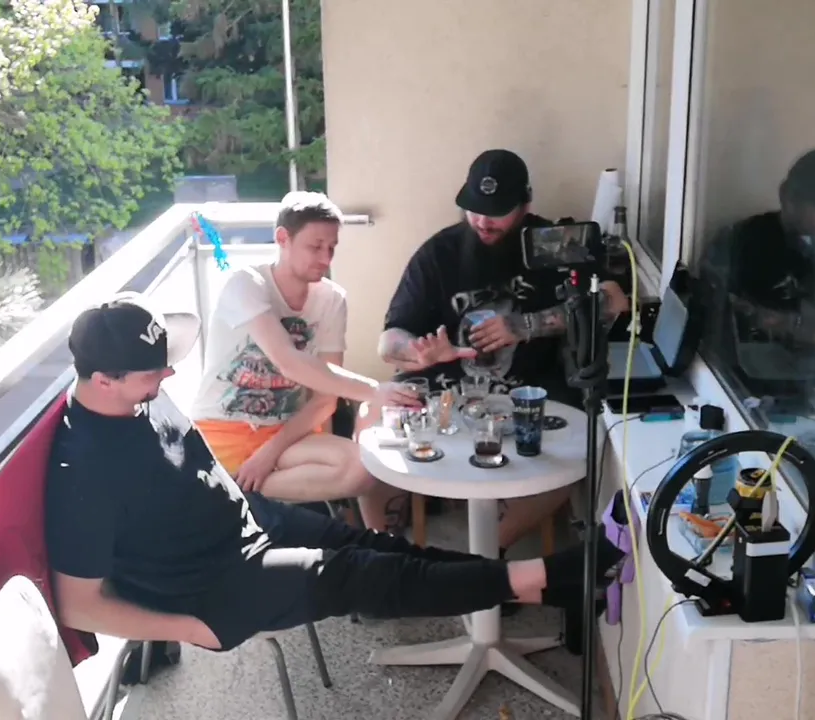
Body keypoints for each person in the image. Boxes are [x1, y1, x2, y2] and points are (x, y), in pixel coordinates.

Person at [43, 293, 623, 652]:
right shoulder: (82, 471)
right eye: (153, 374)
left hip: (246, 524)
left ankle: (552, 582)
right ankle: (556, 575)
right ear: (104, 381)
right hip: (214, 584)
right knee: (360, 576)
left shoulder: (136, 394)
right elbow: (78, 605)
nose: (168, 378)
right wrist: (189, 629)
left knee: (379, 548)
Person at [376, 149, 631, 552]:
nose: (483, 221)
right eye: (474, 209)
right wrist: (417, 353)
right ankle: (385, 553)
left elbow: (615, 300)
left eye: (497, 212)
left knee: (580, 451)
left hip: (531, 389)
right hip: (447, 386)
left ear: (525, 205)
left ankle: (486, 553)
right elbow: (387, 342)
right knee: (371, 419)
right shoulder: (440, 252)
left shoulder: (551, 243)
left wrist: (525, 325)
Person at [191, 192, 419, 532]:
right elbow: (289, 363)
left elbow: (325, 398)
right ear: (283, 238)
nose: (326, 258)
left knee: (366, 467)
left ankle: (233, 489)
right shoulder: (246, 284)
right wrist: (374, 391)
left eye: (332, 247)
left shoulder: (332, 299)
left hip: (287, 432)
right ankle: (233, 486)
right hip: (222, 429)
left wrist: (267, 455)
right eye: (315, 246)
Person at [696, 147, 815, 407]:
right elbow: (721, 316)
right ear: (790, 199)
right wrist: (800, 327)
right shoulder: (742, 243)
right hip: (759, 389)